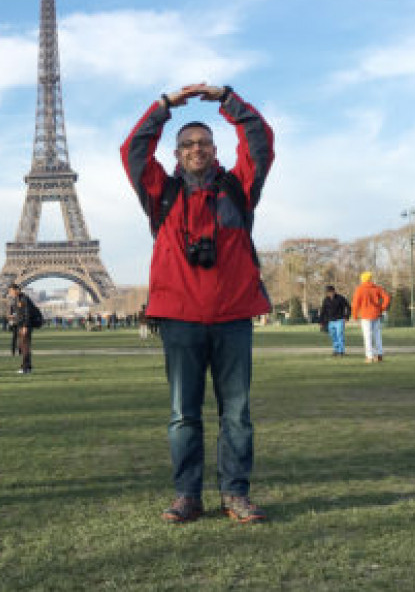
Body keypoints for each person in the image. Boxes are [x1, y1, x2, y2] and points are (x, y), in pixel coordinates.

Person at [120, 82, 274, 524]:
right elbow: (133, 149)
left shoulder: (239, 187)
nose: (196, 149)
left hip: (231, 317)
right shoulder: (159, 191)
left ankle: (235, 494)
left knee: (238, 415)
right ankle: (188, 494)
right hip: (181, 319)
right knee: (182, 415)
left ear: (215, 148)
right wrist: (165, 106)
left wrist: (228, 99)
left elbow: (260, 141)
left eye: (204, 142)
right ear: (176, 153)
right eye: (187, 144)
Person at [350, 271, 390, 363]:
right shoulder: (377, 288)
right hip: (376, 314)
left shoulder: (360, 289)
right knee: (377, 335)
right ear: (370, 278)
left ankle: (369, 357)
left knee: (367, 336)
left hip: (365, 315)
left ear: (362, 279)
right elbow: (387, 298)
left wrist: (355, 315)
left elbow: (355, 304)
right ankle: (379, 355)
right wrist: (382, 308)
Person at [7, 284, 34, 374]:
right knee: (24, 347)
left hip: (24, 326)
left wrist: (25, 326)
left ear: (17, 290)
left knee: (25, 347)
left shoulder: (23, 298)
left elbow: (27, 313)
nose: (10, 293)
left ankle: (25, 368)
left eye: (11, 291)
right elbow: (19, 313)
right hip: (20, 325)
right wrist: (13, 317)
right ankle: (28, 367)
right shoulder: (17, 299)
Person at [319, 285, 351, 356]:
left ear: (333, 291)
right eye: (327, 292)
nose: (329, 293)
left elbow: (348, 307)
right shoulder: (326, 300)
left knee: (340, 335)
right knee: (333, 336)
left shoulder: (341, 298)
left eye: (330, 292)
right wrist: (321, 321)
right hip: (330, 321)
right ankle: (336, 350)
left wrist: (346, 316)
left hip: (339, 320)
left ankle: (341, 351)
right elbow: (323, 311)